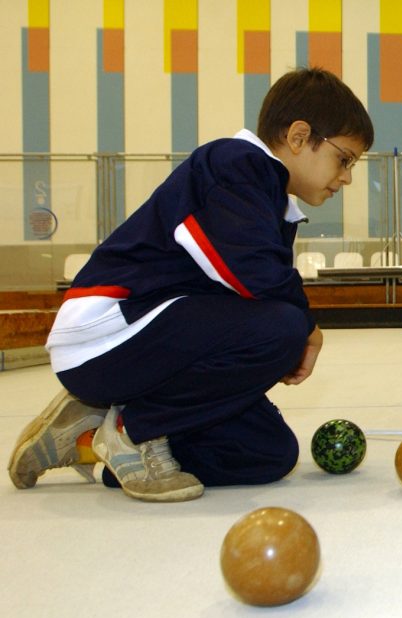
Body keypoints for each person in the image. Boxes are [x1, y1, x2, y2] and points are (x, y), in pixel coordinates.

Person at [8, 67, 374, 502]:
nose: (347, 176)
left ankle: (92, 439)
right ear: (298, 136)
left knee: (268, 454)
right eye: (345, 158)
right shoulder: (235, 165)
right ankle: (134, 432)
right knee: (284, 327)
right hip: (107, 337)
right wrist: (308, 330)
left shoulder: (271, 198)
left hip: (151, 348)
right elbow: (254, 271)